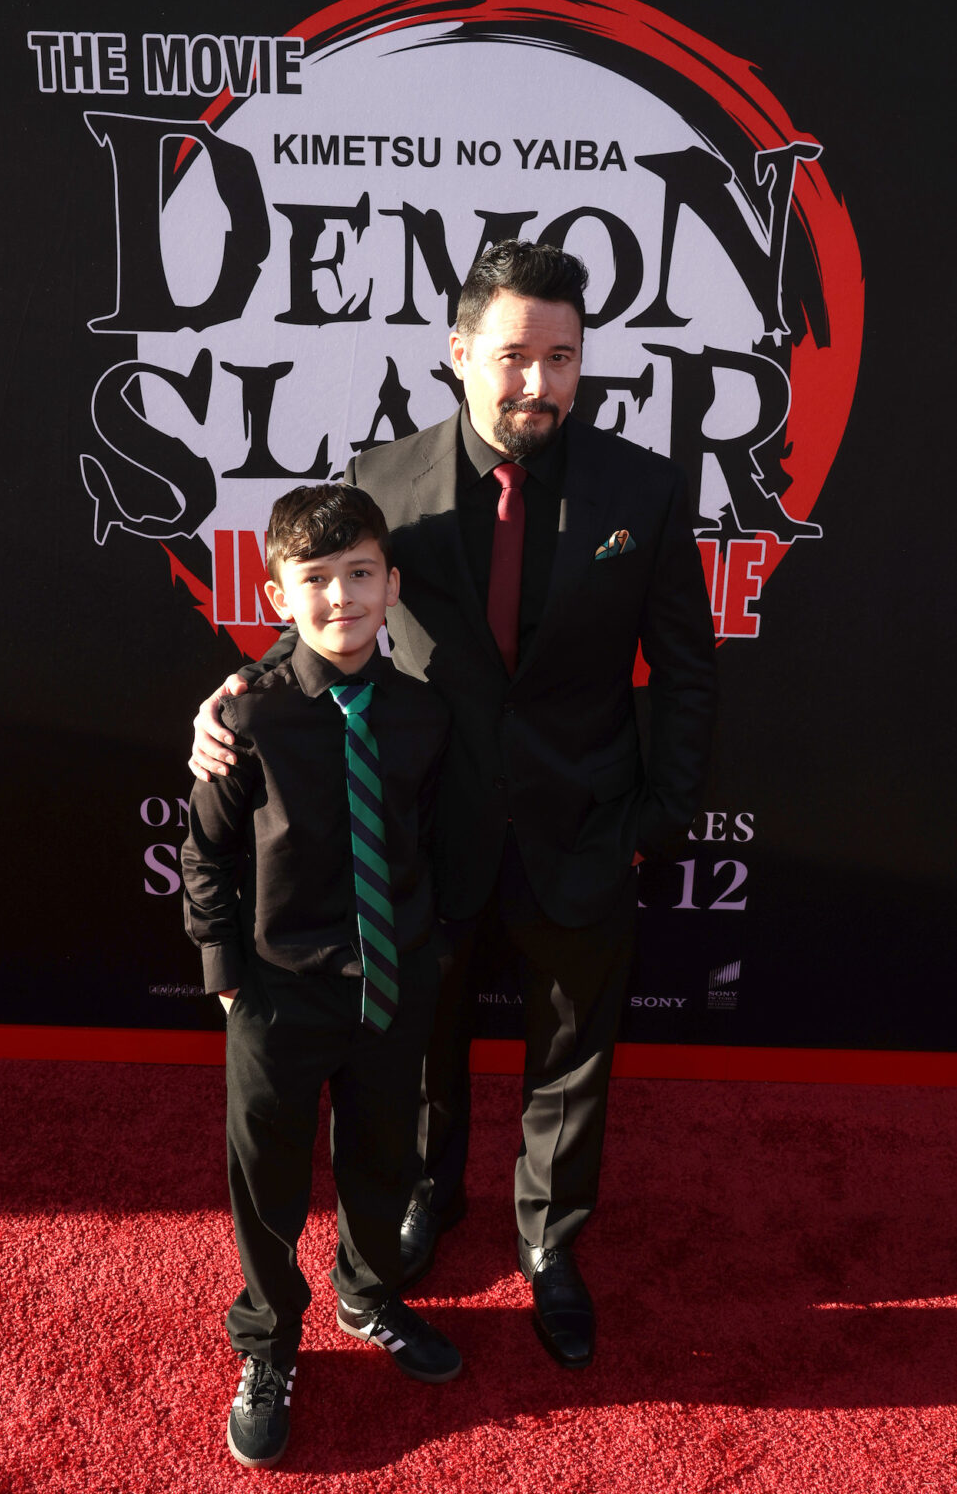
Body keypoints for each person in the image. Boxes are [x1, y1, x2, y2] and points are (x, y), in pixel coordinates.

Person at [190, 240, 716, 1371]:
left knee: (571, 1052)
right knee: (422, 1043)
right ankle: (430, 1198)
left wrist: (660, 815)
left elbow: (685, 667)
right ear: (459, 353)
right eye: (515, 356)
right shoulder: (385, 480)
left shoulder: (641, 488)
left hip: (586, 821)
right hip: (423, 828)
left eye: (561, 358)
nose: (539, 382)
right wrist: (235, 695)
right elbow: (323, 614)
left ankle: (550, 1242)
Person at [182, 483, 459, 1470]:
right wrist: (226, 976)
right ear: (277, 596)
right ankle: (268, 1340)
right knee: (267, 1179)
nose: (340, 596)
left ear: (392, 585)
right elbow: (205, 855)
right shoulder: (244, 716)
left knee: (382, 1156)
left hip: (389, 983)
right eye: (315, 579)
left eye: (359, 574)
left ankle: (367, 1295)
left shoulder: (423, 714)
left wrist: (427, 954)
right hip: (276, 992)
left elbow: (436, 841)